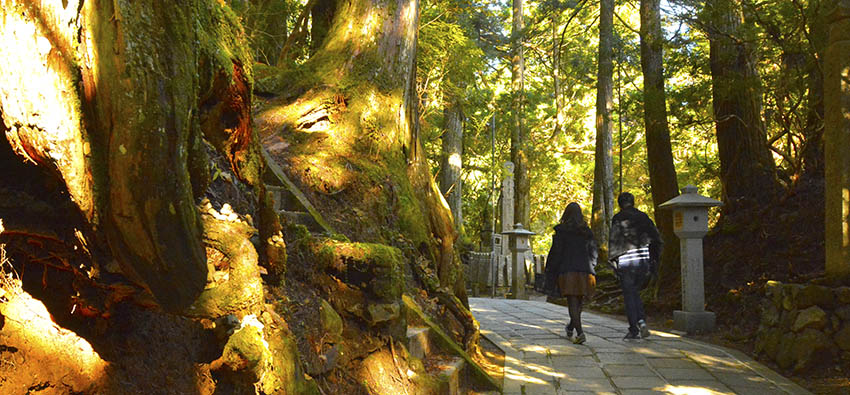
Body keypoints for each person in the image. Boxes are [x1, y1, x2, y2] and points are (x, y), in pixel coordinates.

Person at [608, 192, 663, 340]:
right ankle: (641, 321)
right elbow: (656, 238)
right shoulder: (643, 217)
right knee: (635, 292)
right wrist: (654, 259)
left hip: (626, 261)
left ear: (620, 203)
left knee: (629, 295)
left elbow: (614, 242)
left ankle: (634, 328)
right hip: (643, 260)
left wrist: (614, 263)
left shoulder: (618, 219)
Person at [543, 202, 597, 345]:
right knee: (579, 302)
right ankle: (571, 327)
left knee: (572, 302)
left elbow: (556, 252)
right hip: (585, 271)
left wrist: (551, 269)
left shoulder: (562, 232)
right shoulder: (587, 232)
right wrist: (593, 266)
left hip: (568, 271)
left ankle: (580, 333)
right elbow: (593, 252)